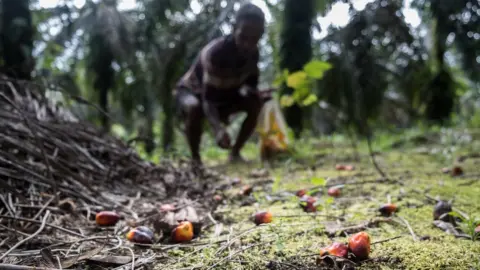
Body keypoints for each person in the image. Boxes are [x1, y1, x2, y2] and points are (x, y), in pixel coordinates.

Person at [174, 3, 266, 164]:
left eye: (255, 38)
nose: (248, 44)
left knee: (255, 103)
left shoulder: (254, 53)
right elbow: (208, 100)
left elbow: (251, 86)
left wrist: (256, 94)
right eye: (243, 36)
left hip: (225, 94)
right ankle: (195, 160)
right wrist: (218, 129)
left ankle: (235, 154)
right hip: (193, 92)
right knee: (195, 107)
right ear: (234, 27)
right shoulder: (216, 53)